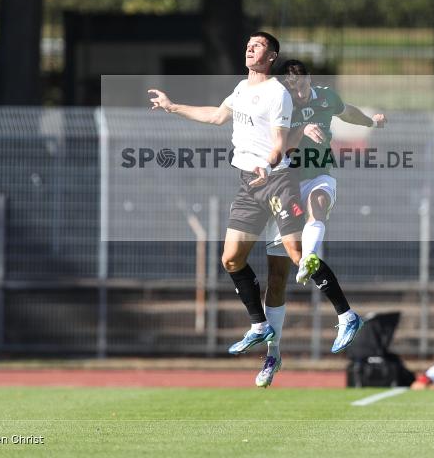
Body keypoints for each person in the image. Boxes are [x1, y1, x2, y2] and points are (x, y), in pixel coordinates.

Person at [148, 32, 363, 358]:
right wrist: (172, 106)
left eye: (258, 45)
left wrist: (268, 164)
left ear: (271, 55)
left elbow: (282, 143)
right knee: (231, 258)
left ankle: (347, 316)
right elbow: (216, 116)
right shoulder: (241, 88)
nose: (249, 48)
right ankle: (259, 326)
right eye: (248, 44)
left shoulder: (278, 94)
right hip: (249, 184)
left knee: (298, 255)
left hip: (276, 181)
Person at [256, 60, 386, 387]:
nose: (295, 91)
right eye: (288, 86)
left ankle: (317, 270)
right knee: (276, 278)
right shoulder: (280, 106)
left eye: (297, 84)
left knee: (318, 206)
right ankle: (274, 353)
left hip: (318, 177)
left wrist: (370, 121)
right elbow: (279, 146)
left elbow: (347, 111)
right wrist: (301, 131)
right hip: (283, 186)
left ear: (307, 79)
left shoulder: (326, 97)